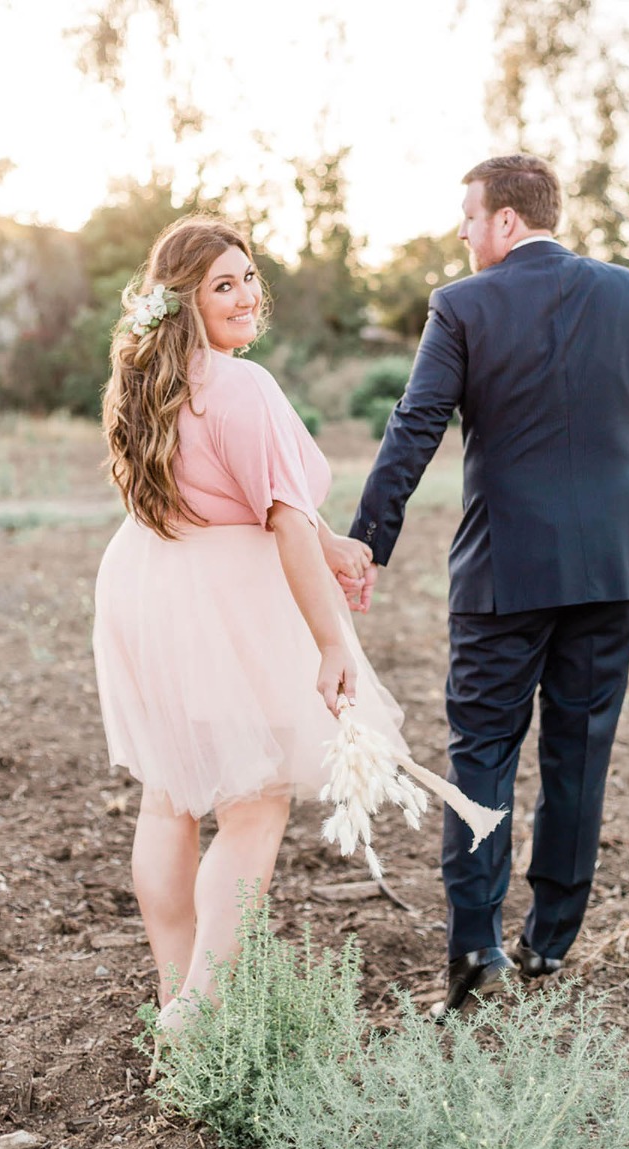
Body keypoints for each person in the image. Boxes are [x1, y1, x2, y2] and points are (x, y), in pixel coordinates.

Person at [349, 155, 629, 1016]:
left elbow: (416, 425)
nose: (463, 234)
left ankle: (476, 952)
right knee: (579, 753)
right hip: (611, 569)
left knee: (482, 756)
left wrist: (369, 542)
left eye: (468, 217)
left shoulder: (462, 306)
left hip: (505, 575)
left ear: (505, 220)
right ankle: (549, 944)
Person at [92, 214, 405, 1032]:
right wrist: (333, 640)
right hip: (224, 601)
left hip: (148, 582)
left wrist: (328, 540)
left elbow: (231, 496)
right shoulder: (243, 385)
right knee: (254, 801)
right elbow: (280, 521)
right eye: (221, 284)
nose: (243, 295)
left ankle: (177, 996)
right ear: (185, 301)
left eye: (248, 278)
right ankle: (202, 1009)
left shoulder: (152, 380)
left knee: (170, 795)